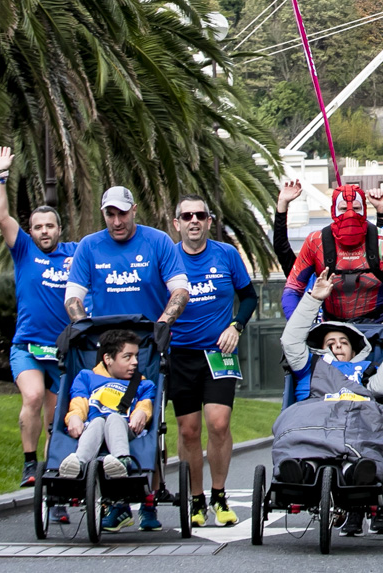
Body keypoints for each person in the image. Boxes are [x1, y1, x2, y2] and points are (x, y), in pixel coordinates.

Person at [64, 185, 191, 531]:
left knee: (152, 423)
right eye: (110, 214)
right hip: (106, 350)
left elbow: (180, 289)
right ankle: (115, 502)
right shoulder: (89, 246)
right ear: (103, 214)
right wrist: (83, 326)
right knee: (100, 413)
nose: (117, 221)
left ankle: (149, 497)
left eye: (122, 213)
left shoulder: (157, 242)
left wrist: (163, 322)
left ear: (134, 210)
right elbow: (73, 296)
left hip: (147, 347)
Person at [276, 268, 383, 535]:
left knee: (361, 443)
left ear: (355, 350)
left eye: (343, 342)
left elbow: (382, 386)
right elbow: (291, 340)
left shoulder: (363, 370)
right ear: (320, 347)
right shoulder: (307, 365)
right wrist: (313, 299)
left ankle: (357, 471)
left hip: (354, 418)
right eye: (330, 341)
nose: (338, 345)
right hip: (314, 416)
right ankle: (302, 469)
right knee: (308, 449)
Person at [0, 145, 76, 491]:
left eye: (49, 226)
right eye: (37, 227)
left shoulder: (74, 254)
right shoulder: (23, 250)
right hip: (27, 347)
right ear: (31, 231)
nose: (44, 231)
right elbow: (1, 216)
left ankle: (51, 475)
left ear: (59, 229)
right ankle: (29, 462)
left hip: (62, 351)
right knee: (33, 396)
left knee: (56, 418)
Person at [167, 194, 258, 528]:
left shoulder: (226, 254)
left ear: (209, 221)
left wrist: (236, 326)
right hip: (180, 354)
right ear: (176, 223)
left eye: (200, 215)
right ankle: (196, 500)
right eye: (186, 216)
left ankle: (219, 496)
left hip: (219, 354)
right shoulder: (168, 258)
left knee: (219, 424)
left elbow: (249, 297)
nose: (193, 220)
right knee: (189, 431)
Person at [281, 183, 383, 348]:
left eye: (356, 208)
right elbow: (292, 289)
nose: (350, 214)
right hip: (332, 332)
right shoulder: (315, 242)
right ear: (333, 211)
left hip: (379, 330)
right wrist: (298, 327)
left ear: (364, 210)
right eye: (342, 209)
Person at [59, 329, 156, 512]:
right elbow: (79, 402)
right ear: (108, 359)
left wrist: (141, 414)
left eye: (136, 356)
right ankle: (79, 463)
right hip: (92, 426)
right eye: (127, 357)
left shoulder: (143, 384)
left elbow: (145, 405)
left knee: (114, 418)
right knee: (98, 422)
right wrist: (74, 418)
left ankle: (122, 460)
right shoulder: (87, 377)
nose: (135, 362)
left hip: (124, 427)